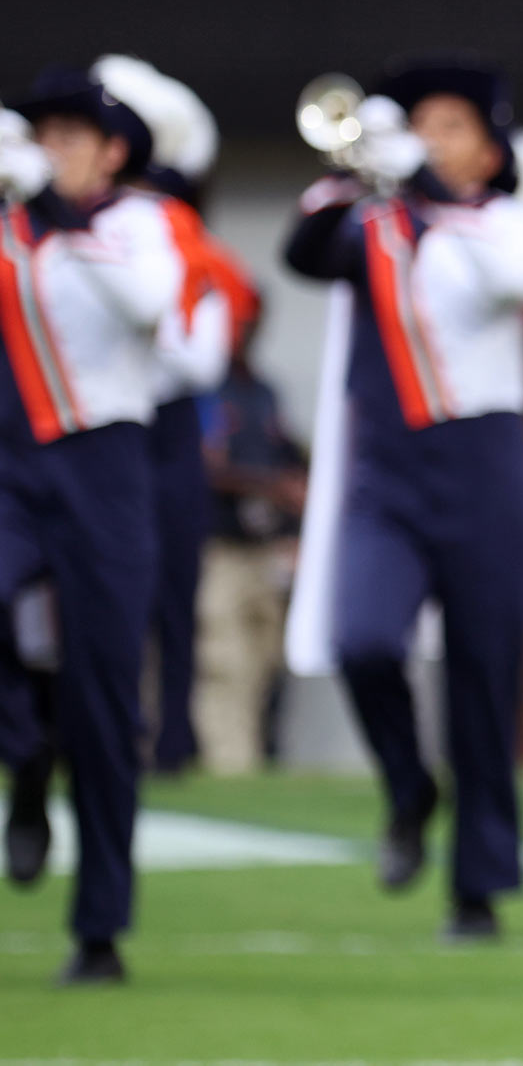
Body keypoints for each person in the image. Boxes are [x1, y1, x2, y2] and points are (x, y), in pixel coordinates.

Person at [282, 58, 523, 941]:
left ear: (491, 151)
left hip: (484, 461)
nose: (429, 141)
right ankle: (408, 785)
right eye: (421, 124)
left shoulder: (508, 223)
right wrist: (358, 172)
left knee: (484, 678)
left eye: (452, 127)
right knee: (364, 640)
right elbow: (302, 251)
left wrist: (418, 190)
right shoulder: (369, 220)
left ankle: (478, 886)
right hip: (387, 468)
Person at [0, 70, 180, 985]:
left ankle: (100, 924)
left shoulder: (136, 225)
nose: (55, 150)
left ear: (112, 153)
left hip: (103, 460)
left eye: (75, 137)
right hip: (8, 458)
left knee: (106, 694)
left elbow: (149, 304)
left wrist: (60, 216)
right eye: (45, 135)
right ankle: (27, 758)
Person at [91, 54, 253, 776]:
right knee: (100, 584)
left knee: (174, 587)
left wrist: (139, 306)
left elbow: (202, 358)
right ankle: (102, 729)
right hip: (102, 427)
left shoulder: (177, 240)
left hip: (166, 428)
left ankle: (175, 736)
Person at [194, 303, 305, 776]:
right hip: (222, 546)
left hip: (265, 547)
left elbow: (290, 454)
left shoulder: (263, 392)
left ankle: (256, 761)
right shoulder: (204, 389)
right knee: (223, 660)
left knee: (265, 660)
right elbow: (207, 467)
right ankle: (229, 766)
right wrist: (269, 485)